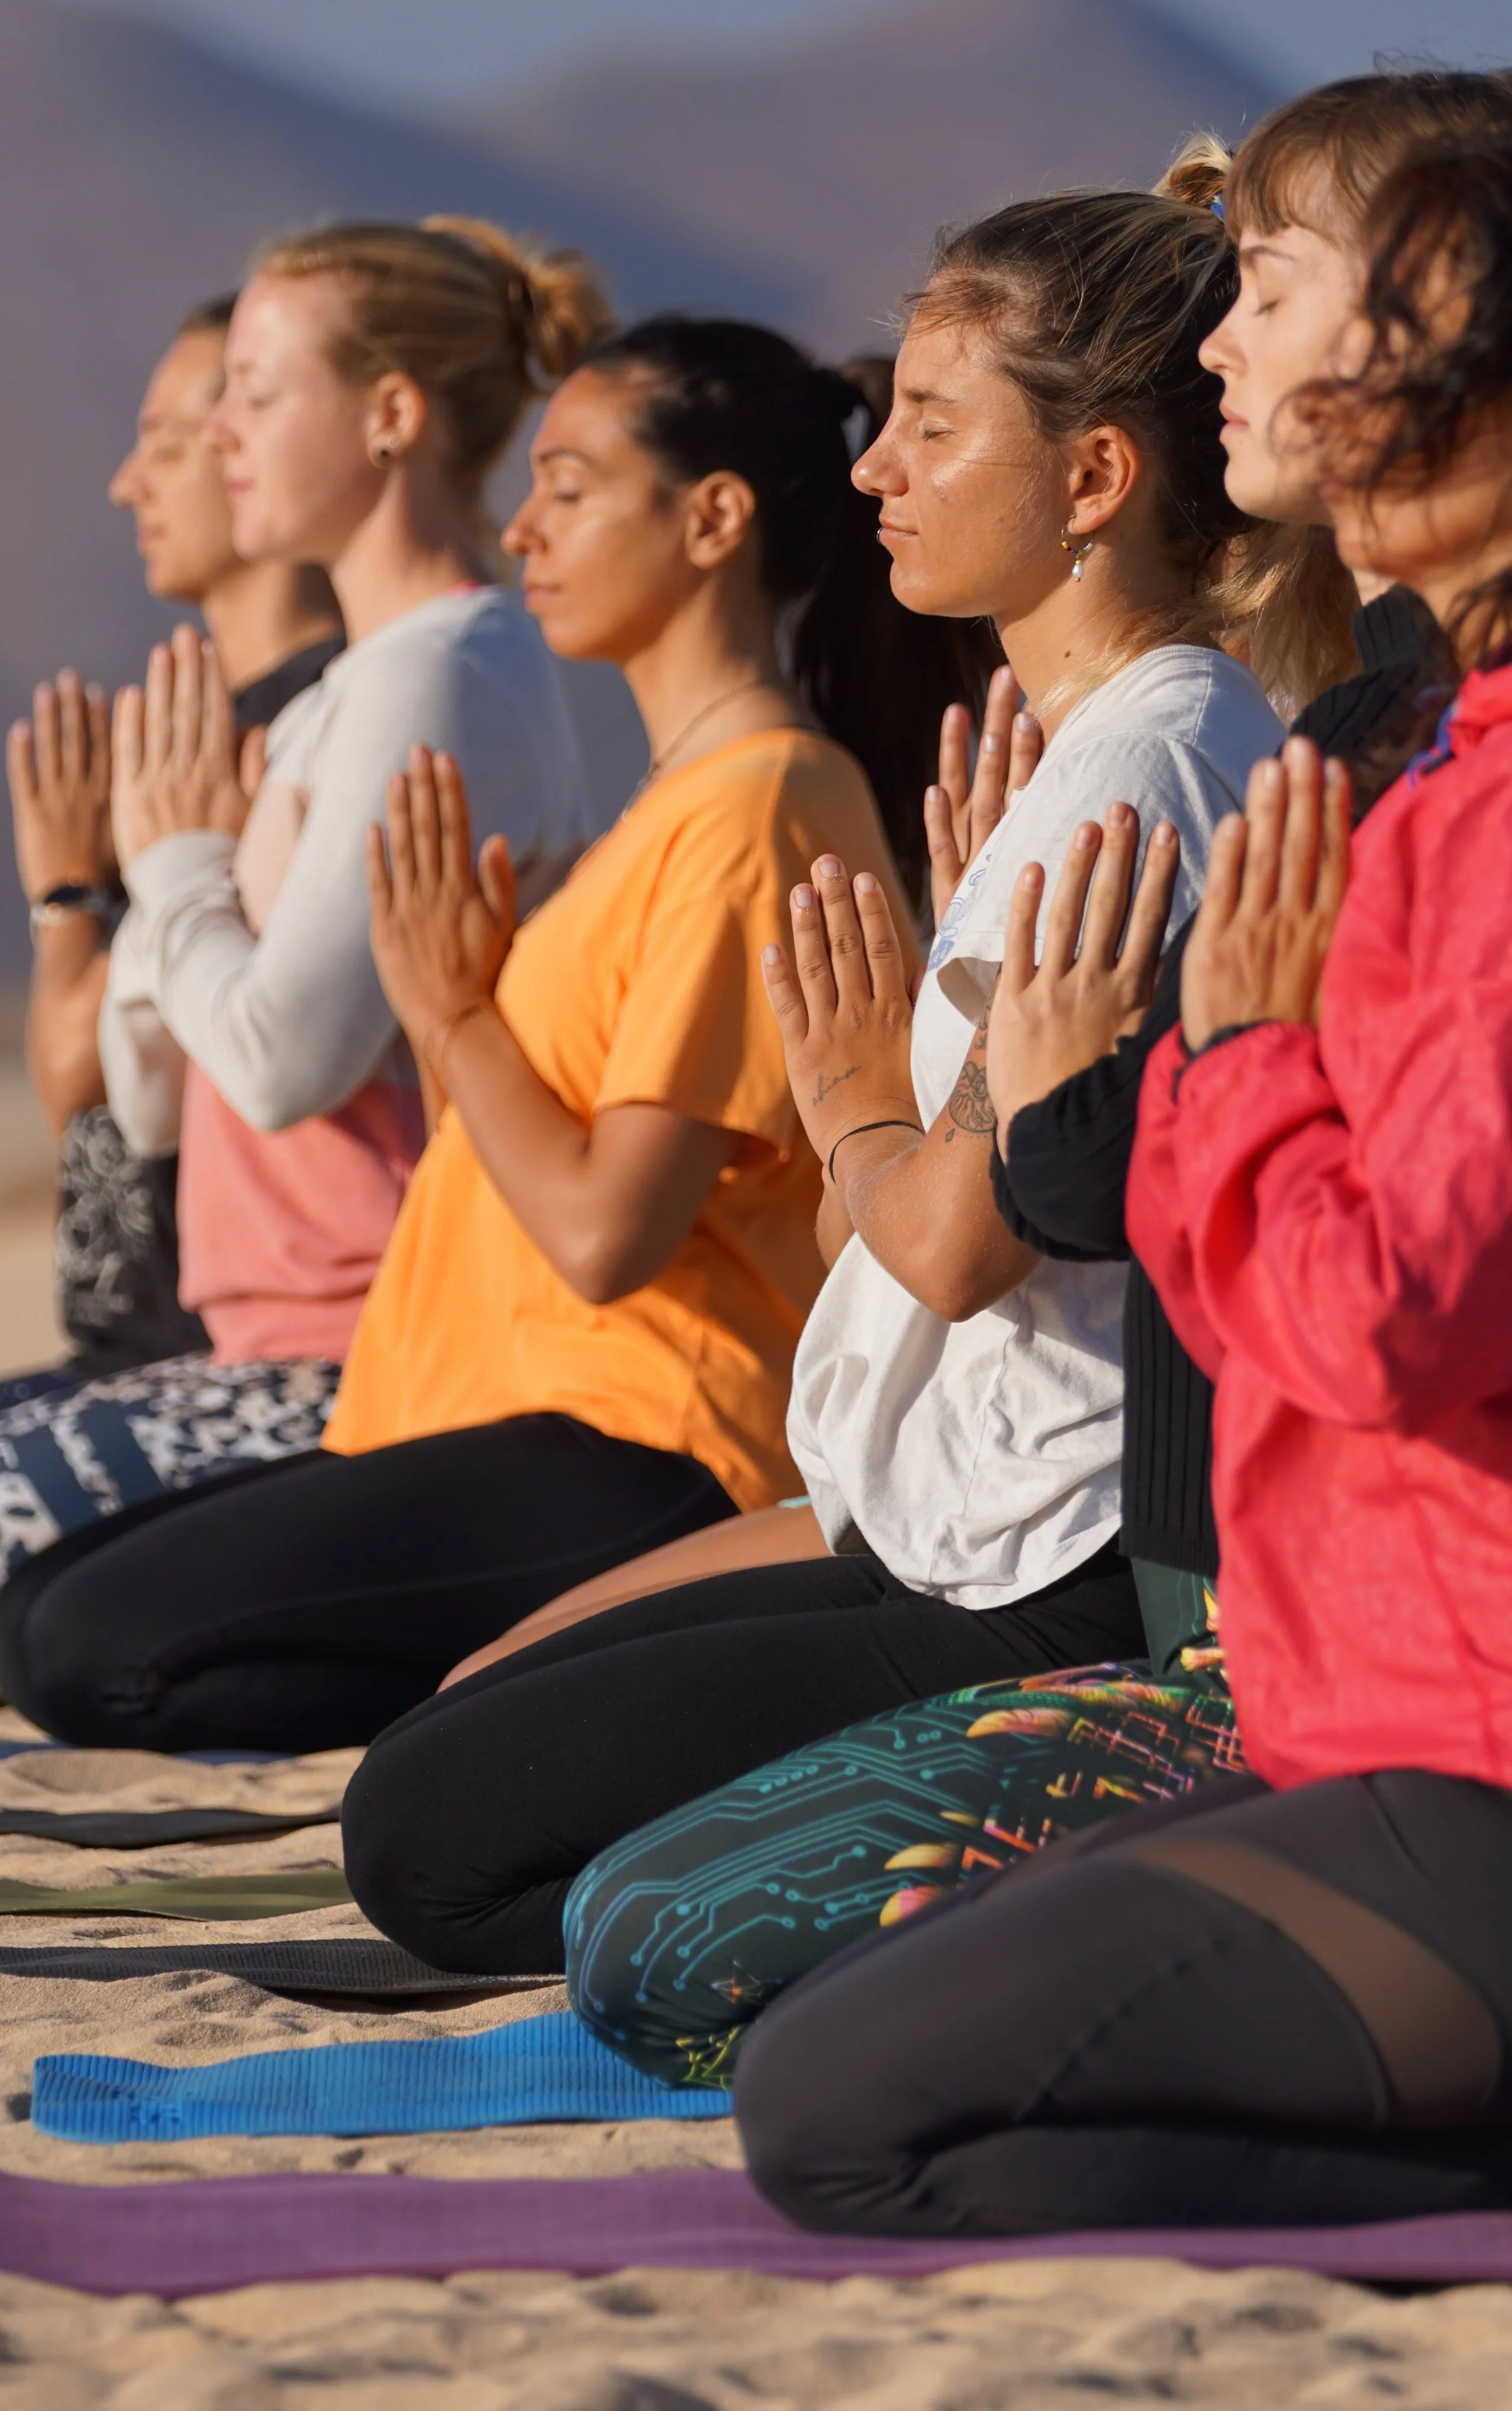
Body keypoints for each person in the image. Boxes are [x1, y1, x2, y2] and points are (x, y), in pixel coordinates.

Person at [559, 68, 1512, 2092]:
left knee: (676, 1968)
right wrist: (988, 1080)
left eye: (1268, 286)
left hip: (1201, 1612)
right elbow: (1018, 1198)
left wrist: (1159, 1067)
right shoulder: (1361, 733)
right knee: (563, 1854)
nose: (1224, 340)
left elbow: (1082, 1219)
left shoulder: (1259, 761)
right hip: (1280, 1625)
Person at [327, 180, 1306, 1985]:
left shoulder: (1143, 771)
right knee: (465, 1718)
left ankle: (1056, 1842)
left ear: (1092, 479)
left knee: (434, 1845)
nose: (875, 469)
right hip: (920, 1504)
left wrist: (852, 1083)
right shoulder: (1106, 749)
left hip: (1048, 1560)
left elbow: (950, 1244)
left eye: (934, 428)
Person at [0, 318, 987, 1754]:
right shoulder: (669, 809)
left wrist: (450, 1013)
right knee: (44, 1614)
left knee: (95, 1649)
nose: (522, 526)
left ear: (709, 518)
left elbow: (607, 1233)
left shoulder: (760, 805)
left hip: (640, 1437)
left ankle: (546, 1689)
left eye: (571, 485)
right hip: (489, 1412)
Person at [0, 220, 601, 1568]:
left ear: (391, 416)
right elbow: (144, 1089)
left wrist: (170, 874)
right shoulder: (354, 690)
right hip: (256, 1342)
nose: (224, 440)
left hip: (368, 1356)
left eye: (257, 397)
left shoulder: (443, 670)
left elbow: (274, 1064)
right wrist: (176, 911)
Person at [4, 295, 342, 1402]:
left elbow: (83, 1088)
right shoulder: (201, 736)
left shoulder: (320, 731)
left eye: (164, 444)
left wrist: (66, 894)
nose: (125, 484)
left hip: (213, 1349)